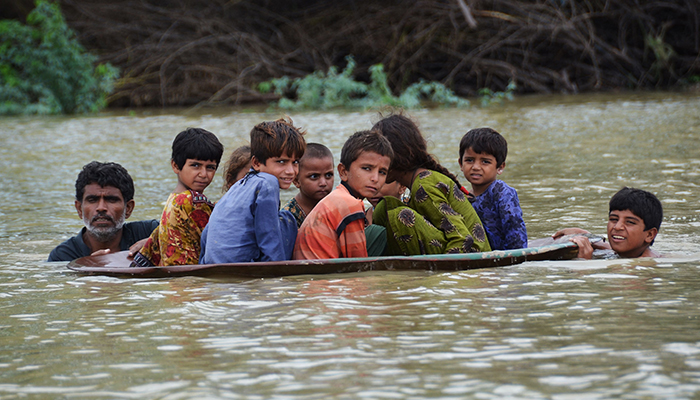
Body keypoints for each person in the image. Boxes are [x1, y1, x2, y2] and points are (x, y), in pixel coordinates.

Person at [371, 113, 492, 255]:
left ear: (396, 156)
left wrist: (441, 277)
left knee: (400, 217)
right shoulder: (419, 182)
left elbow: (462, 239)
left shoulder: (424, 186)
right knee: (384, 207)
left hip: (472, 255)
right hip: (454, 247)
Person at [200, 118, 306, 263]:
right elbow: (269, 238)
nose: (291, 171)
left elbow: (207, 234)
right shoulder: (268, 182)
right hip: (243, 267)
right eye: (281, 162)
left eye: (295, 162)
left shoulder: (235, 189)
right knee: (287, 219)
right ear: (256, 163)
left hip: (213, 265)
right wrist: (279, 278)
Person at [294, 130, 393, 260]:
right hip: (321, 276)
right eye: (367, 168)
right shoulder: (349, 204)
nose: (375, 178)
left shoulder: (337, 197)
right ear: (343, 171)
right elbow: (358, 263)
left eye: (382, 172)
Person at [131, 128, 224, 267]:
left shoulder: (173, 200)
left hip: (176, 281)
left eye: (210, 167)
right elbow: (221, 239)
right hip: (191, 280)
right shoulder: (189, 201)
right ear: (175, 165)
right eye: (196, 165)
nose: (204, 174)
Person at [47, 161, 158, 262]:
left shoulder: (151, 233)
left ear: (128, 208)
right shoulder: (63, 257)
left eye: (111, 200)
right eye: (92, 200)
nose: (101, 208)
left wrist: (160, 246)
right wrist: (88, 270)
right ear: (79, 209)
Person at [458, 127, 527, 250]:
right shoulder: (462, 198)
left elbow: (515, 230)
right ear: (460, 164)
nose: (476, 167)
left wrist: (513, 260)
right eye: (469, 160)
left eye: (485, 162)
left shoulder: (501, 191)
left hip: (505, 257)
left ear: (500, 167)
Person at [553, 187, 663, 259]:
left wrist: (584, 263)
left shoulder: (645, 266)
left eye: (629, 222)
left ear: (649, 235)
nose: (618, 227)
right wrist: (585, 235)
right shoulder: (628, 252)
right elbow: (608, 247)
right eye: (614, 219)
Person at [282, 143, 335, 228]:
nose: (323, 183)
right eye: (314, 176)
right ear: (296, 181)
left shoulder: (337, 208)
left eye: (328, 175)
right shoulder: (288, 218)